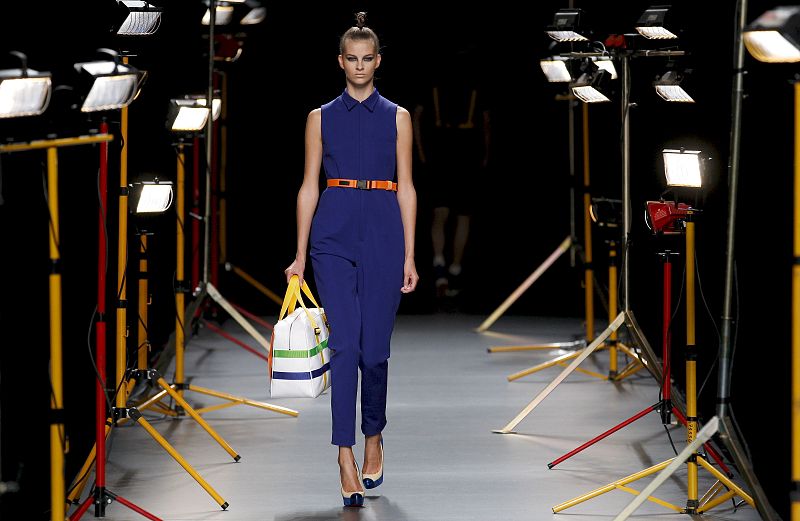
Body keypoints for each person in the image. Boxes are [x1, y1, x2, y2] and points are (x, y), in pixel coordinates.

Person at [283, 12, 419, 508]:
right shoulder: (319, 118)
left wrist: (410, 253)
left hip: (383, 228)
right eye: (352, 58)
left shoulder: (398, 117)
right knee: (343, 346)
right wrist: (300, 255)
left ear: (378, 61)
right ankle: (344, 455)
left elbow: (407, 187)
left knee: (374, 351)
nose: (360, 65)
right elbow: (308, 186)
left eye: (367, 58)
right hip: (333, 232)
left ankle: (373, 435)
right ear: (340, 61)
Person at [413, 46, 490, 300]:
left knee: (447, 213)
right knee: (454, 214)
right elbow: (486, 123)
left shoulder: (452, 85)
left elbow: (416, 117)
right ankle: (450, 267)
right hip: (454, 152)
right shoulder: (450, 84)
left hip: (451, 152)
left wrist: (422, 152)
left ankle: (446, 266)